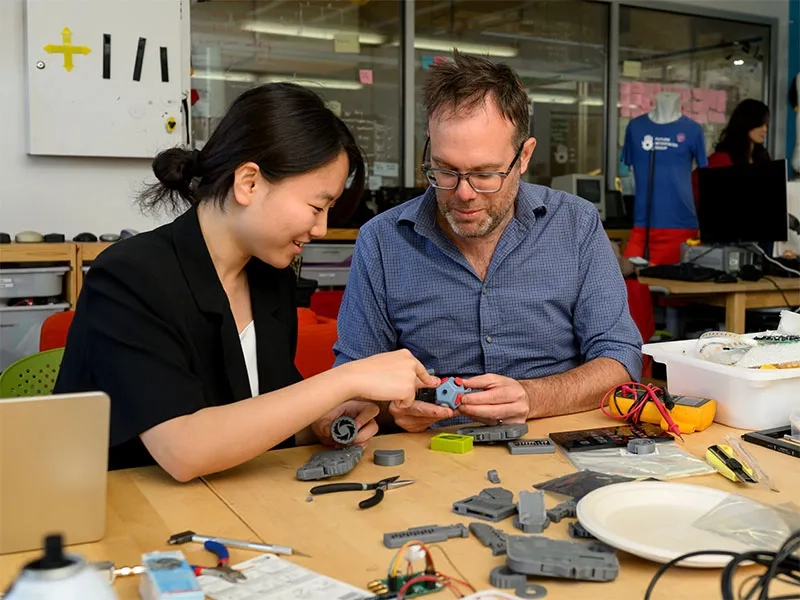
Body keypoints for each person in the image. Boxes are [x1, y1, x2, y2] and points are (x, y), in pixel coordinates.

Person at [54, 83, 439, 481]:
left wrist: (321, 423)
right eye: (316, 206)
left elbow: (259, 419)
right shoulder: (130, 276)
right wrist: (345, 380)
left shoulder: (268, 277)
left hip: (228, 501)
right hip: (120, 512)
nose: (321, 228)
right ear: (249, 182)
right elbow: (185, 450)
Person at [332, 51, 643, 433]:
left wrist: (534, 397)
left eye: (484, 174)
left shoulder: (575, 224)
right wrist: (387, 409)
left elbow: (619, 358)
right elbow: (349, 386)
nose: (463, 193)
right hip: (427, 458)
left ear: (524, 155)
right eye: (445, 170)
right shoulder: (381, 241)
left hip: (552, 444)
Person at [691, 99, 771, 204]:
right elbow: (693, 188)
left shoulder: (764, 158)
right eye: (760, 124)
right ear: (747, 123)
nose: (765, 129)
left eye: (766, 124)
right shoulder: (720, 160)